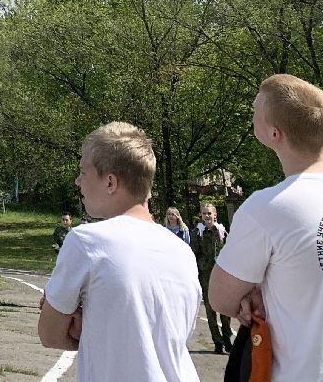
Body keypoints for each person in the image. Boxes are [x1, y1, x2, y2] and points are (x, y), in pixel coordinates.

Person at [209, 74, 323, 382]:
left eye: (255, 109)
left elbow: (221, 297)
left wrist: (256, 294)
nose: (251, 113)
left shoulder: (267, 207)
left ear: (274, 133)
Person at [38, 122, 201, 382]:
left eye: (83, 171)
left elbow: (49, 334)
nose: (78, 181)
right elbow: (172, 336)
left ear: (110, 182)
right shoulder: (183, 252)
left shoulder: (86, 241)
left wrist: (84, 323)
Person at [191, 203, 233, 354]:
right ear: (201, 216)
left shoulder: (222, 232)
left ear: (215, 215)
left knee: (224, 308)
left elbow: (230, 252)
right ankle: (217, 342)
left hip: (221, 275)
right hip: (206, 276)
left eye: (209, 213)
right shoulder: (197, 233)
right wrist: (201, 266)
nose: (207, 216)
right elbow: (194, 254)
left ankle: (227, 339)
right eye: (204, 213)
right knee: (210, 309)